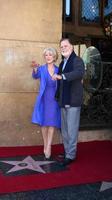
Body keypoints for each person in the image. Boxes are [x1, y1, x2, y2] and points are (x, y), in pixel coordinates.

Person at [52, 38, 85, 166]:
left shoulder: (77, 60)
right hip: (63, 100)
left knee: (71, 129)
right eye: (61, 47)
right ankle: (67, 152)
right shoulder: (62, 63)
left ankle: (71, 155)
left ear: (72, 47)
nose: (63, 48)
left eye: (66, 46)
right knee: (64, 129)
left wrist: (63, 76)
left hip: (73, 101)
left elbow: (79, 73)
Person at [31, 47, 61, 159]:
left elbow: (62, 80)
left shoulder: (58, 69)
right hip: (43, 98)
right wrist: (34, 69)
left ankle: (49, 146)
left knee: (51, 123)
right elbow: (35, 76)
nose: (48, 57)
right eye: (46, 55)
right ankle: (45, 143)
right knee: (43, 123)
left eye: (50, 55)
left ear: (54, 57)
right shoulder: (42, 69)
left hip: (54, 99)